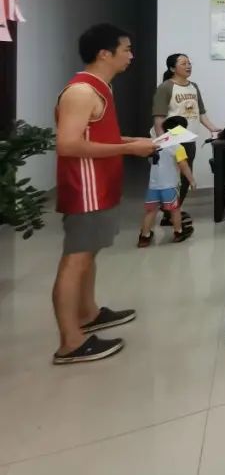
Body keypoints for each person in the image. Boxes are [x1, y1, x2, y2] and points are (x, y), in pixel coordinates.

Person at [52, 23, 157, 364]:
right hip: (86, 190)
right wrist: (128, 150)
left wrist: (133, 141)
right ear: (104, 54)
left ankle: (88, 313)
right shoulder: (81, 92)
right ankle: (70, 343)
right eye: (126, 49)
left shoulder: (102, 89)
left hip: (102, 186)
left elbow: (98, 136)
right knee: (76, 259)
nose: (131, 56)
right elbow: (68, 145)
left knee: (89, 254)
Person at [152, 53, 220, 212]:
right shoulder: (166, 87)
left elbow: (200, 112)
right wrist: (163, 143)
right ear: (172, 68)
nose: (188, 66)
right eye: (183, 63)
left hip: (190, 139)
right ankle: (169, 212)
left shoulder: (193, 86)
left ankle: (172, 211)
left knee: (186, 178)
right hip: (173, 140)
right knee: (171, 179)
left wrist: (213, 128)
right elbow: (159, 118)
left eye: (189, 63)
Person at [138, 115, 196, 247]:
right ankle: (178, 232)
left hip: (153, 185)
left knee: (151, 211)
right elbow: (183, 166)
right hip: (170, 186)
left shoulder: (155, 144)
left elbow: (150, 160)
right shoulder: (178, 147)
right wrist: (191, 180)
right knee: (175, 210)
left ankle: (144, 236)